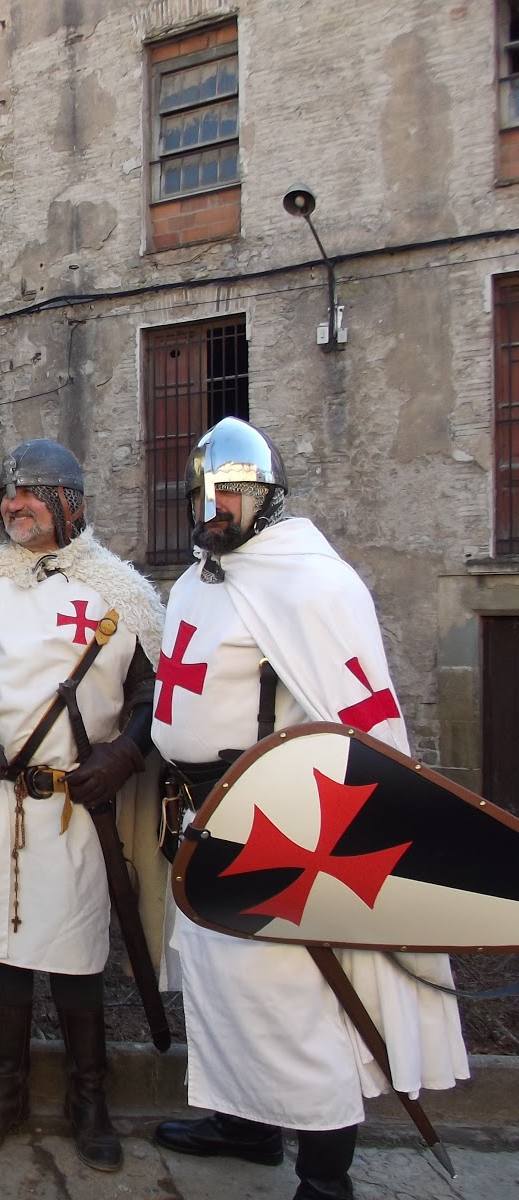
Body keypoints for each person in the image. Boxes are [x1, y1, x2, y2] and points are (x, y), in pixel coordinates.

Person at [150, 417, 468, 1200]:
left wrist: (331, 828)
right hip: (199, 818)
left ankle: (326, 1177)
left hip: (278, 825)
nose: (215, 506)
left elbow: (360, 722)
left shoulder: (314, 583)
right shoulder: (195, 579)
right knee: (220, 985)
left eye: (233, 492)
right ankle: (245, 1124)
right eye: (206, 493)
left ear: (267, 495)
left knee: (294, 1000)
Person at [0, 439, 164, 1172]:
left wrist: (123, 757)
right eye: (7, 492)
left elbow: (159, 694)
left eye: (30, 491)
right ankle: (5, 1095)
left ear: (71, 503)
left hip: (77, 806)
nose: (12, 503)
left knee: (79, 951)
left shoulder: (123, 593)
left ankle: (90, 1100)